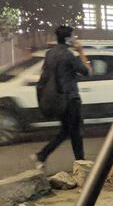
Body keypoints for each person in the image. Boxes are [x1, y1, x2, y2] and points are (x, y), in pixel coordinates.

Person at [31, 25, 92, 169]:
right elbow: (87, 71)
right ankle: (80, 163)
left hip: (58, 98)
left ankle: (42, 155)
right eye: (73, 36)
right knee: (74, 131)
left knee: (68, 131)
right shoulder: (68, 55)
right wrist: (81, 52)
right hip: (70, 97)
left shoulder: (50, 53)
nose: (75, 39)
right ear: (67, 38)